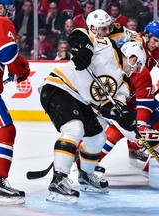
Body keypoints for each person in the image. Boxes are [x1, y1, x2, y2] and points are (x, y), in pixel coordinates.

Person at [39, 9, 136, 203]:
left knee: (97, 137)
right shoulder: (102, 42)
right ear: (126, 52)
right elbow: (77, 35)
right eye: (133, 59)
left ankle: (85, 175)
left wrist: (122, 114)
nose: (134, 65)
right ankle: (59, 181)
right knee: (74, 128)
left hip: (82, 100)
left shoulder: (124, 83)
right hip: (60, 87)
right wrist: (83, 49)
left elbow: (108, 106)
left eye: (137, 63)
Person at [99, 41, 159, 166]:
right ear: (131, 59)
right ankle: (87, 162)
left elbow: (145, 103)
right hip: (120, 108)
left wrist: (142, 125)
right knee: (111, 134)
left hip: (140, 104)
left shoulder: (141, 72)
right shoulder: (110, 72)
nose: (139, 68)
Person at [0, 0, 30, 204]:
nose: (8, 12)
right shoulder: (1, 21)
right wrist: (20, 69)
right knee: (6, 131)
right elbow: (7, 53)